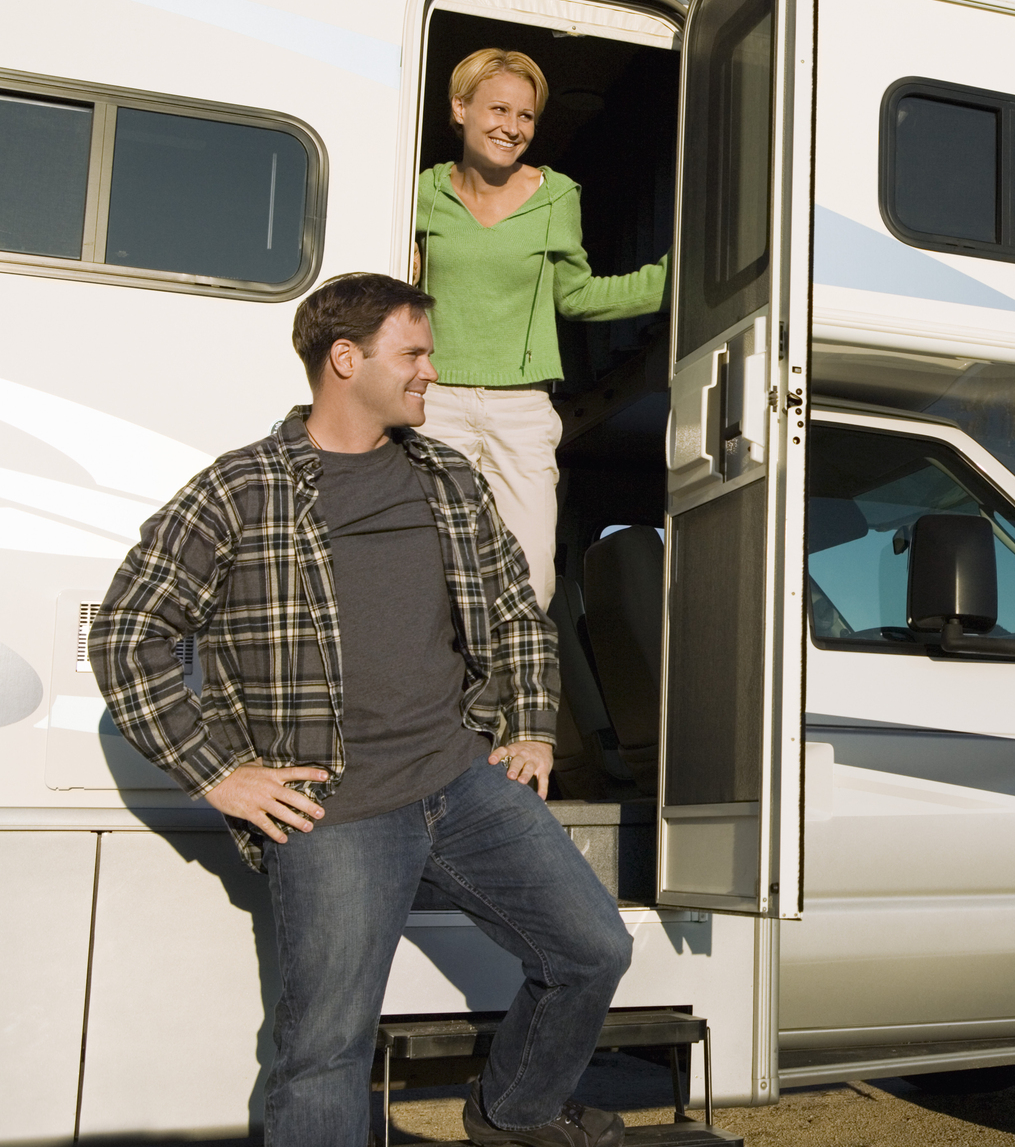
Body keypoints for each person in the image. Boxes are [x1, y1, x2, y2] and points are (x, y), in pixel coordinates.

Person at [90, 273, 631, 1147]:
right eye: (413, 354)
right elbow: (127, 630)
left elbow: (513, 609)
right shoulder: (241, 489)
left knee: (591, 948)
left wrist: (529, 722)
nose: (429, 372)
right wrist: (218, 773)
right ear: (347, 359)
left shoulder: (448, 477)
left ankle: (513, 1111)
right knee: (324, 1051)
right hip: (336, 810)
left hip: (462, 783)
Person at [413, 47, 668, 607]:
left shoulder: (557, 196)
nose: (512, 127)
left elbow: (576, 298)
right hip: (434, 401)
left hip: (522, 408)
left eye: (525, 116)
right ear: (460, 109)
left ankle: (511, 694)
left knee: (530, 582)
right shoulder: (423, 192)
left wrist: (676, 279)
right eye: (498, 110)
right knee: (430, 575)